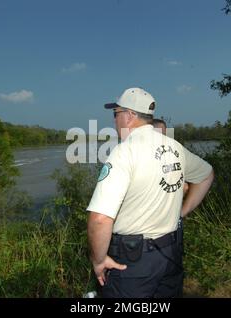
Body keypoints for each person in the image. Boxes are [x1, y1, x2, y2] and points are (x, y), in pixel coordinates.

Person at [87, 87, 214, 298]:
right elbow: (206, 175)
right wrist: (181, 212)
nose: (114, 120)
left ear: (129, 116)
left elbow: (100, 219)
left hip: (132, 264)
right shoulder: (174, 147)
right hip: (170, 255)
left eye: (116, 114)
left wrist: (98, 260)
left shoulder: (124, 152)